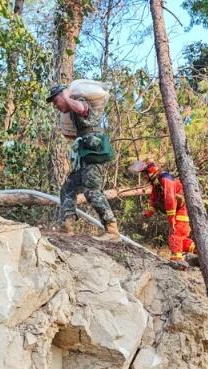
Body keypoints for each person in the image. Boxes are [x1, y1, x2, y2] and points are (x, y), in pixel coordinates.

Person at [46, 84, 119, 241]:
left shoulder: (78, 100)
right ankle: (67, 226)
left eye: (56, 101)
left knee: (92, 189)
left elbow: (82, 109)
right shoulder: (71, 112)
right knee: (68, 188)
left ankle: (112, 230)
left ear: (63, 96)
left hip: (93, 152)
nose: (56, 106)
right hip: (84, 154)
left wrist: (66, 96)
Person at [129, 159, 196, 269]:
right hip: (178, 213)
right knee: (182, 239)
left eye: (145, 174)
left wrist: (171, 220)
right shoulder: (157, 185)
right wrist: (147, 213)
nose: (144, 177)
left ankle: (178, 262)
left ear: (151, 172)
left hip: (180, 212)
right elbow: (154, 201)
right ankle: (199, 252)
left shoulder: (166, 179)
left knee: (175, 236)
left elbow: (170, 200)